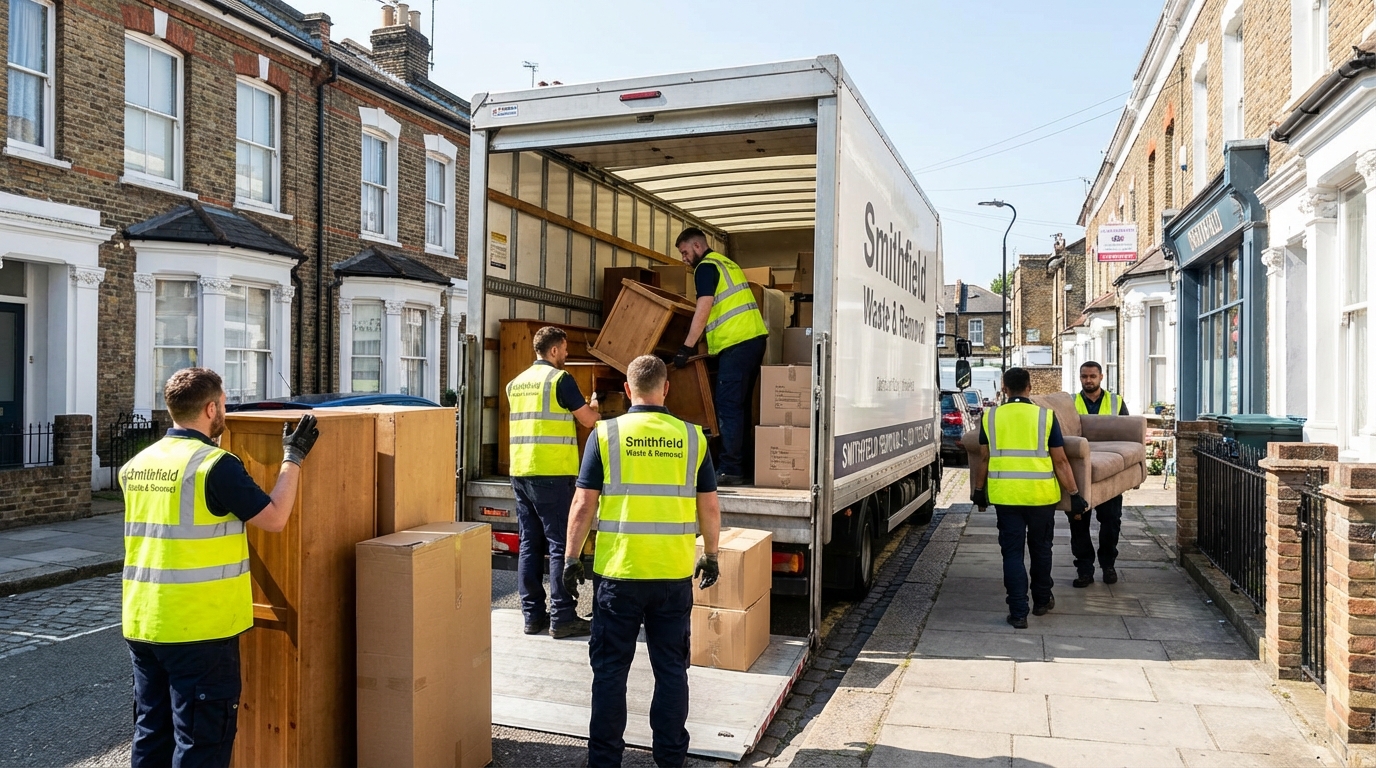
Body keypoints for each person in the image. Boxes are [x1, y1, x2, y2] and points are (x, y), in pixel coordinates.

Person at [121, 367, 320, 768]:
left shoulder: (138, 464)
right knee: (202, 743)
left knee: (152, 733)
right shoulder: (214, 465)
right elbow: (275, 518)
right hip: (198, 630)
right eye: (225, 404)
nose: (225, 411)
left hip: (143, 622)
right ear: (212, 408)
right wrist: (293, 458)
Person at [562, 354, 722, 768]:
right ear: (665, 388)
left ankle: (604, 761)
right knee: (671, 670)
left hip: (619, 574)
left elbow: (583, 504)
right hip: (671, 574)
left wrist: (570, 558)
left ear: (628, 390)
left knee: (611, 671)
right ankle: (670, 758)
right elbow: (711, 507)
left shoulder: (605, 434)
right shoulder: (692, 437)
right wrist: (712, 554)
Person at [969, 367, 1086, 629]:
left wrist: (979, 491)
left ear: (1004, 388)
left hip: (1006, 496)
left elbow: (984, 459)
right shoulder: (1045, 416)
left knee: (1011, 554)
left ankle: (1018, 612)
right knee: (1041, 549)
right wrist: (1075, 493)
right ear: (1029, 387)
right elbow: (1061, 460)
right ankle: (1042, 601)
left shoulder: (991, 417)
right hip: (1040, 496)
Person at [507, 326, 601, 638]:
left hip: (521, 471)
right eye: (564, 350)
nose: (567, 355)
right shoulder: (560, 380)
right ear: (554, 351)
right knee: (561, 543)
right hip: (553, 473)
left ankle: (533, 616)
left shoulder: (515, 384)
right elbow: (587, 420)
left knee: (529, 544)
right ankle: (562, 617)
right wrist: (596, 408)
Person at [672, 227, 768, 486]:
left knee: (727, 406)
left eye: (684, 252)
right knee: (741, 407)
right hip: (753, 340)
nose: (683, 258)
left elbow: (704, 307)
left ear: (697, 246)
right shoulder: (728, 263)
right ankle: (743, 466)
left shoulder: (706, 267)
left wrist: (687, 347)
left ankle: (729, 469)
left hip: (737, 343)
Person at [1070, 360, 1128, 588]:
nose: (1088, 380)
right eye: (1084, 376)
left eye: (1092, 376)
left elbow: (1128, 437)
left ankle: (1108, 565)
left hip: (1109, 471)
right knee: (1078, 524)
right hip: (1079, 474)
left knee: (1111, 522)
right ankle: (1084, 570)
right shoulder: (1071, 403)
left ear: (1101, 377)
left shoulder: (1116, 402)